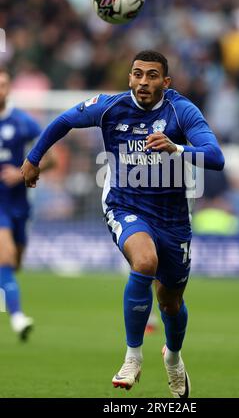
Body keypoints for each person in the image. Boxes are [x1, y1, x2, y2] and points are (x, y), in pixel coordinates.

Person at [21, 50, 224, 397]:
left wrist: (177, 149)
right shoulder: (111, 107)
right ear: (129, 77)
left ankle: (173, 357)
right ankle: (132, 357)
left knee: (171, 301)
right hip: (124, 204)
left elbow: (216, 157)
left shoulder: (181, 110)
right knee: (145, 261)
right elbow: (64, 121)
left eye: (152, 76)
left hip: (173, 217)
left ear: (166, 82)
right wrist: (33, 158)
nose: (143, 82)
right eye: (137, 74)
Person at [0, 68, 55, 341]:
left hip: (19, 205)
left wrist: (23, 171)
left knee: (14, 263)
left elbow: (52, 158)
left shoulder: (23, 122)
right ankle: (18, 317)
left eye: (3, 85)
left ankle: (5, 290)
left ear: (9, 89)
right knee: (6, 259)